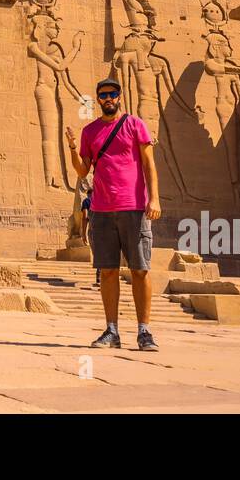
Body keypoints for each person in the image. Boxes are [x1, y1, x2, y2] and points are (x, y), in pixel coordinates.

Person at [65, 77, 162, 351]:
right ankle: (112, 330)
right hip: (101, 209)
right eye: (103, 95)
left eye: (112, 94)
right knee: (107, 270)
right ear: (98, 100)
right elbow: (83, 171)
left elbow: (149, 164)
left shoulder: (134, 125)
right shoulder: (90, 131)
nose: (108, 99)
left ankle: (144, 331)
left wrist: (153, 198)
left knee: (140, 270)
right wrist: (72, 149)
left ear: (119, 97)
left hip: (133, 206)